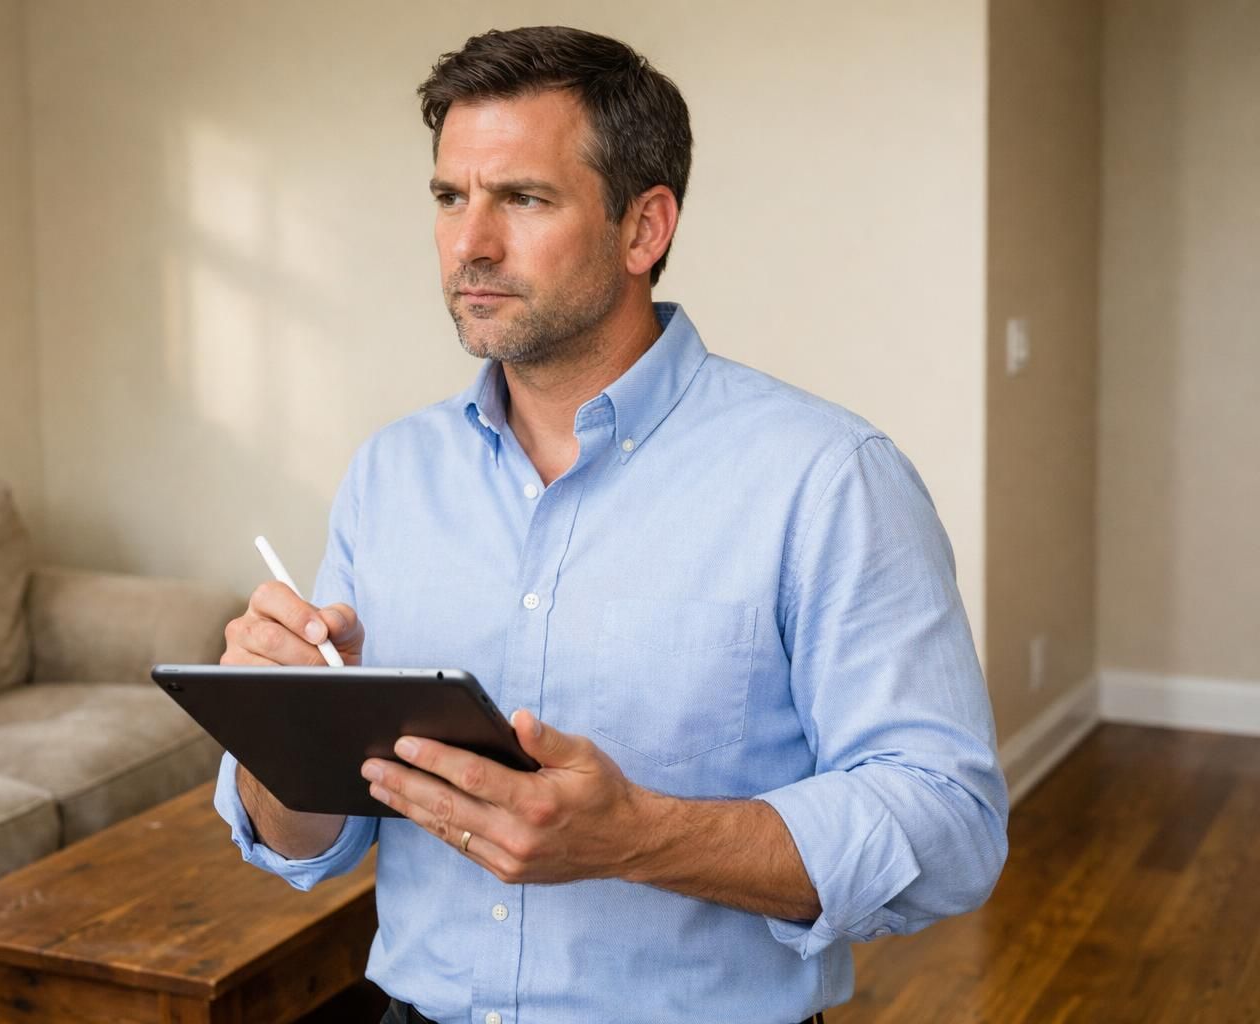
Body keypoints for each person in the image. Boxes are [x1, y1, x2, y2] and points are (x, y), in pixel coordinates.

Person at [214, 25, 1007, 1024]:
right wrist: (280, 732)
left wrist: (637, 835)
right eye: (451, 197)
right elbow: (305, 840)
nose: (470, 243)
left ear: (645, 230)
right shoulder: (391, 474)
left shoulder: (826, 478)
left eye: (523, 198)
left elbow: (949, 824)